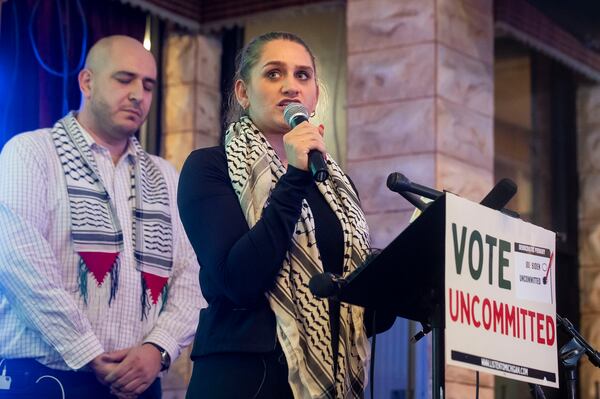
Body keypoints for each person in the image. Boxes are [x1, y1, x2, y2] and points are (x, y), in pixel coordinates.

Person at [178, 31, 394, 399]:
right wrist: (293, 177)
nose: (291, 86)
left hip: (325, 382)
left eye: (302, 75)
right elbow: (239, 280)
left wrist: (394, 279)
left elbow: (358, 314)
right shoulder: (209, 168)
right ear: (243, 92)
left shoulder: (333, 184)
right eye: (274, 74)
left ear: (314, 96)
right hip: (243, 378)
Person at [0, 35, 203, 399]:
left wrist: (158, 349)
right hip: (44, 377)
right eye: (124, 79)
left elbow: (191, 274)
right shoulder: (30, 153)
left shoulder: (165, 175)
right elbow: (21, 266)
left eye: (148, 85)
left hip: (141, 382)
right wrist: (87, 351)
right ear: (87, 82)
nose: (138, 94)